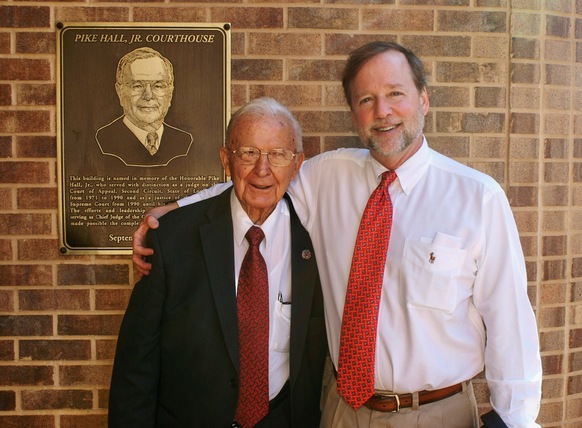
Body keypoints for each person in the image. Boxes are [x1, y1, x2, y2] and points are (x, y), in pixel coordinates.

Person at [133, 42, 542, 427]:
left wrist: (517, 420)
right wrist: (178, 212)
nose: (382, 111)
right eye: (366, 99)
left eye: (395, 93)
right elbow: (260, 178)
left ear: (424, 99)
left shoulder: (477, 197)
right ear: (353, 113)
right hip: (343, 411)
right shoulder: (327, 176)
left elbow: (510, 325)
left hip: (437, 413)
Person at [109, 97, 327, 427]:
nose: (262, 170)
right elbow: (135, 366)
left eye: (278, 154)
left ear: (296, 165)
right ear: (226, 159)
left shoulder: (314, 239)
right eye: (249, 153)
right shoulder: (172, 239)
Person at [96, 47, 193, 167]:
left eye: (158, 86)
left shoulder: (185, 142)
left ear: (170, 93)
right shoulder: (102, 141)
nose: (148, 96)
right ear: (120, 92)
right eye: (137, 86)